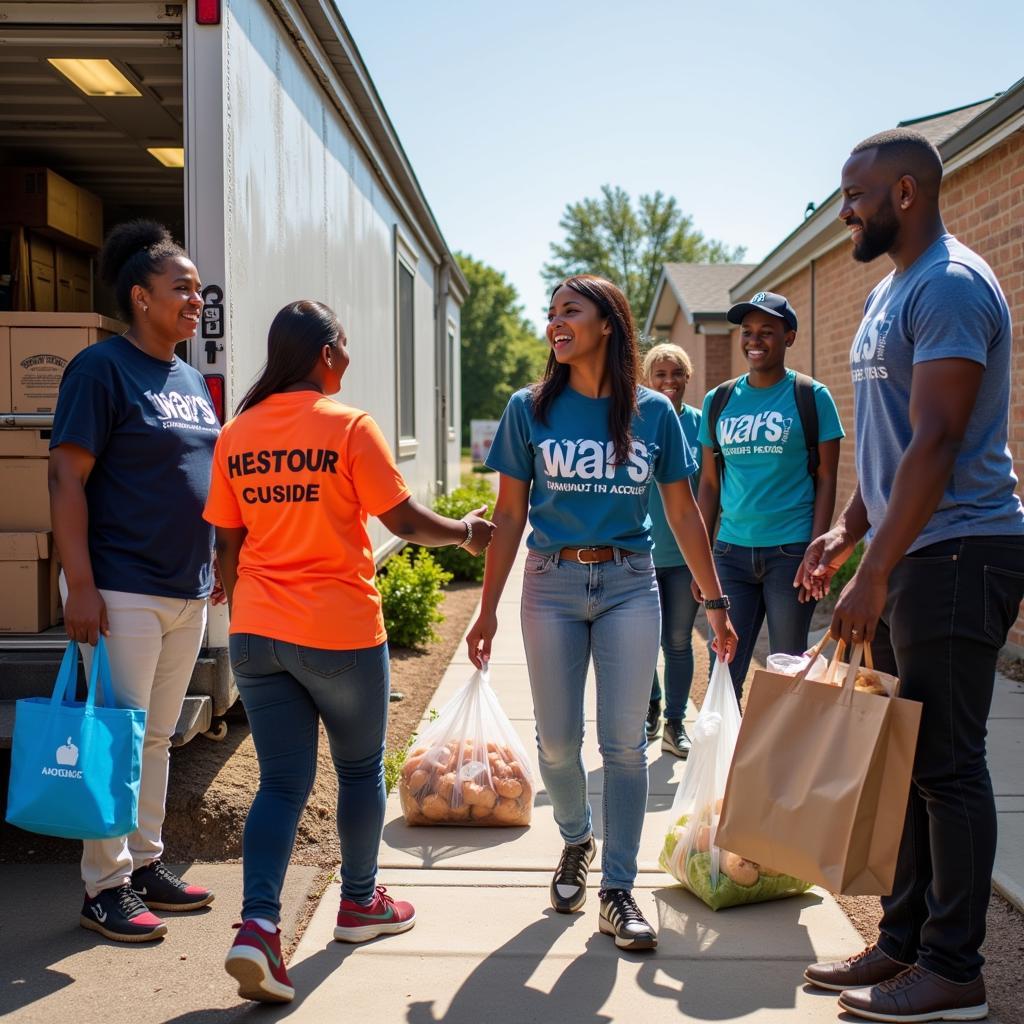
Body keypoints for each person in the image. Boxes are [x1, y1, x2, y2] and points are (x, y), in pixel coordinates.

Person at [205, 300, 495, 1005]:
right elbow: (398, 517)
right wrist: (466, 531)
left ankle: (258, 928)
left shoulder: (237, 433)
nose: (349, 360)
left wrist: (234, 592)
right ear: (327, 351)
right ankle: (361, 903)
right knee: (360, 770)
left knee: (280, 784)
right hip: (337, 633)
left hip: (257, 635)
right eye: (345, 347)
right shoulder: (348, 427)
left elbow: (226, 544)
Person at [802, 129, 1024, 1023]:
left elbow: (938, 442)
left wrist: (878, 569)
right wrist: (848, 533)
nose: (844, 211)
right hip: (911, 549)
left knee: (947, 763)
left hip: (962, 550)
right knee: (901, 764)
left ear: (904, 192)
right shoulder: (889, 292)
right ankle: (902, 945)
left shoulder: (952, 285)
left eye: (853, 196)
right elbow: (892, 447)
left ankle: (954, 970)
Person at [465, 275, 737, 952]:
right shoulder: (528, 409)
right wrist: (485, 610)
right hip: (551, 583)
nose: (555, 322)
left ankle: (619, 889)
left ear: (607, 324)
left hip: (629, 583)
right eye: (551, 312)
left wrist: (715, 603)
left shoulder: (654, 413)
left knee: (623, 745)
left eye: (570, 312)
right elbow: (508, 513)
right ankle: (577, 837)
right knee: (556, 743)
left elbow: (682, 511)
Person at [48, 220, 222, 942]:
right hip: (119, 587)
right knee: (115, 737)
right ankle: (104, 886)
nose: (195, 299)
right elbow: (65, 475)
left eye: (195, 289)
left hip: (185, 588)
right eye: (181, 288)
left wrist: (214, 566)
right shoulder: (100, 370)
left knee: (154, 739)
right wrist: (80, 584)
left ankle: (145, 864)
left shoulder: (187, 377)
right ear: (141, 297)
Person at [695, 292, 843, 700]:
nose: (754, 340)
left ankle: (782, 763)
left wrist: (817, 552)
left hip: (790, 554)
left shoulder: (811, 397)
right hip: (730, 555)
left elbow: (827, 477)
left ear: (789, 337)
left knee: (788, 671)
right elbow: (708, 485)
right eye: (747, 332)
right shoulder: (718, 400)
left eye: (767, 331)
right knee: (723, 670)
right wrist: (701, 558)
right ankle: (724, 759)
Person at [641, 344, 702, 757]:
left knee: (678, 642)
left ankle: (676, 723)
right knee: (642, 641)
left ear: (687, 376)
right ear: (648, 379)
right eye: (659, 375)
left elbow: (710, 493)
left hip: (684, 560)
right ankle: (651, 706)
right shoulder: (634, 422)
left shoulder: (701, 425)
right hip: (640, 553)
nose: (668, 382)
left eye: (675, 373)